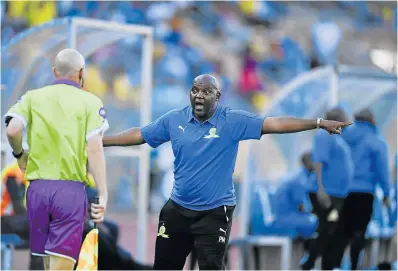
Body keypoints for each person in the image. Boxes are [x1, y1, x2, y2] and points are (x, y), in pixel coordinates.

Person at [103, 74, 351, 270]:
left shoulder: (232, 121)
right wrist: (101, 141)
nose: (199, 96)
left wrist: (318, 123)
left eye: (206, 92)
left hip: (214, 212)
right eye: (195, 90)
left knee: (211, 267)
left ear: (217, 96)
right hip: (178, 208)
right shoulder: (174, 120)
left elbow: (275, 123)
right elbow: (139, 135)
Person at [4, 48, 108, 271]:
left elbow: (12, 130)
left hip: (37, 191)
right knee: (60, 266)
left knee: (45, 264)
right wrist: (103, 193)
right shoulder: (90, 102)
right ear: (81, 73)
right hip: (68, 192)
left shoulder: (33, 97)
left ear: (54, 71)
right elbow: (95, 149)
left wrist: (20, 155)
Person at [336, 108, 391, 270]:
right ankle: (354, 266)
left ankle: (335, 265)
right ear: (372, 120)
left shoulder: (343, 136)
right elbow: (382, 170)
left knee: (342, 232)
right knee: (359, 231)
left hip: (341, 192)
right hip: (364, 192)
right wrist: (386, 193)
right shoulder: (375, 140)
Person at [301, 108, 354, 270]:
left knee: (333, 230)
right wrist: (321, 190)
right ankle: (308, 264)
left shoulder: (337, 137)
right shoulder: (324, 135)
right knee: (328, 228)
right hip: (326, 192)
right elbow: (318, 163)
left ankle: (327, 266)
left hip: (336, 193)